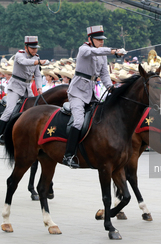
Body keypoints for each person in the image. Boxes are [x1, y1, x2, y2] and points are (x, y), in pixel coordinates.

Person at [62, 25, 125, 168]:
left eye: (102, 39)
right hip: (77, 92)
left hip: (91, 93)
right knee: (78, 121)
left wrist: (110, 88)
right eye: (98, 39)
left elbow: (104, 74)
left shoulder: (101, 54)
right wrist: (114, 51)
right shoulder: (83, 49)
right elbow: (95, 52)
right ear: (90, 39)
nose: (101, 42)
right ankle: (68, 155)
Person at [0, 36, 48, 145]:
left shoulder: (36, 57)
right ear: (26, 47)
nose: (35, 50)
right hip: (16, 86)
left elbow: (37, 75)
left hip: (27, 87)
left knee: (34, 109)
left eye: (36, 48)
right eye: (32, 48)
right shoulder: (19, 55)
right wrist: (38, 62)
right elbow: (24, 62)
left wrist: (39, 88)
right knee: (10, 109)